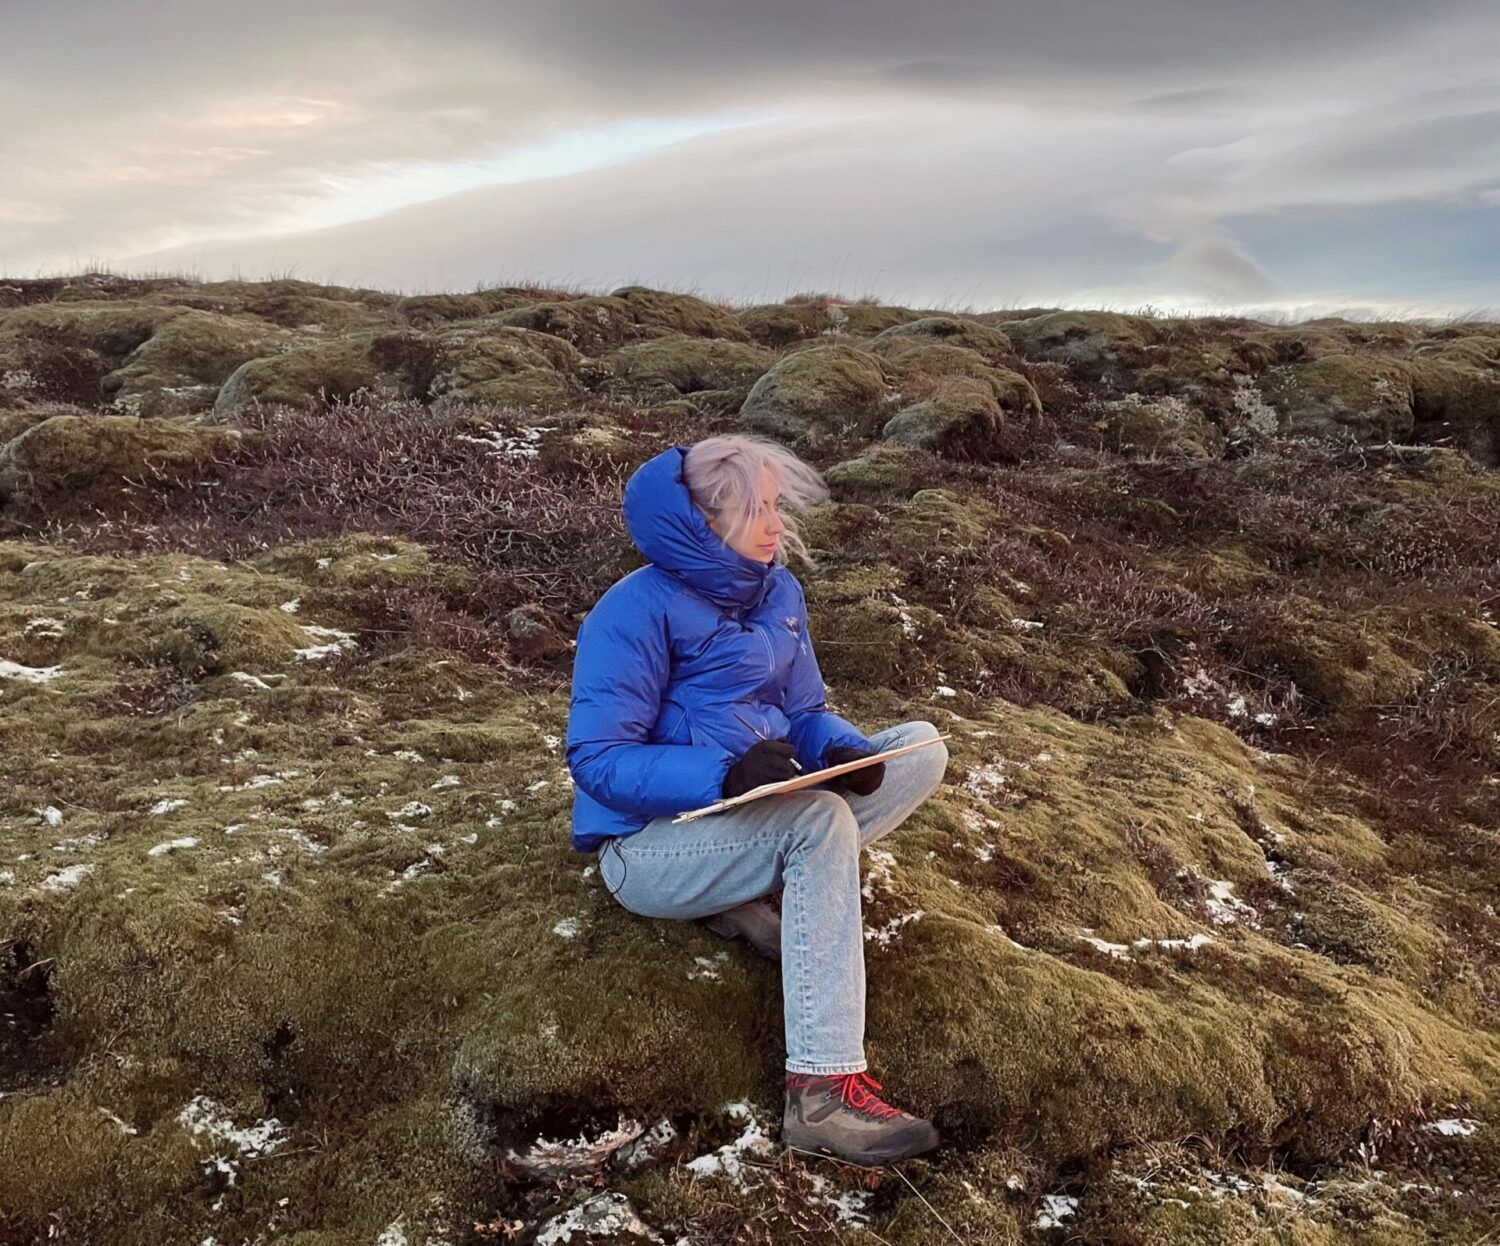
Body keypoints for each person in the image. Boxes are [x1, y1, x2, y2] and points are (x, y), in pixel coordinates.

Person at [565, 433, 949, 1166]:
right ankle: (822, 1094)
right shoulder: (632, 610)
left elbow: (803, 707)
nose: (777, 525)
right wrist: (722, 775)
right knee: (818, 820)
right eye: (757, 509)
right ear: (704, 520)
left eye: (776, 506)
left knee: (921, 746)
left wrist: (840, 749)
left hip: (749, 815)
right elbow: (598, 759)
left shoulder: (778, 591)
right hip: (648, 850)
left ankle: (753, 894)